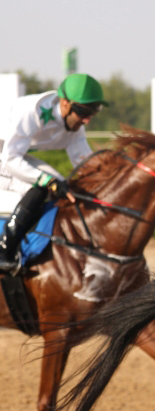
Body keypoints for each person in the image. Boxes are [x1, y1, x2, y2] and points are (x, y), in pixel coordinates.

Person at [0, 73, 108, 272]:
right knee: (42, 185)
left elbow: (85, 164)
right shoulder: (31, 112)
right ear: (65, 103)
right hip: (7, 156)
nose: (87, 120)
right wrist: (47, 181)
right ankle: (4, 248)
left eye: (93, 112)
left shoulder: (75, 125)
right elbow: (11, 158)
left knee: (61, 184)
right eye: (83, 111)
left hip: (9, 153)